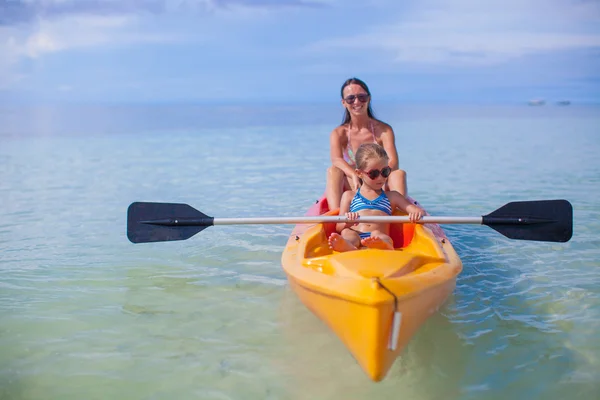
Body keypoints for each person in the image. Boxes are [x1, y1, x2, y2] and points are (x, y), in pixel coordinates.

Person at [326, 77, 407, 210]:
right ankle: (337, 217)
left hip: (380, 182)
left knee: (398, 173)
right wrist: (354, 174)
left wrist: (377, 177)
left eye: (361, 97)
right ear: (344, 102)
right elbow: (336, 159)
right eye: (351, 98)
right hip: (355, 184)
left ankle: (399, 217)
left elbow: (393, 162)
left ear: (369, 99)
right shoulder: (339, 133)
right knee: (333, 171)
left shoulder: (383, 130)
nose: (357, 102)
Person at [328, 143, 423, 252]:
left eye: (385, 172)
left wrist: (417, 213)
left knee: (379, 234)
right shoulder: (349, 196)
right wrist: (347, 222)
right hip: (355, 233)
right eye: (374, 174)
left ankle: (384, 245)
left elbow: (414, 209)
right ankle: (348, 245)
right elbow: (338, 227)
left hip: (378, 237)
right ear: (359, 173)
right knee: (348, 233)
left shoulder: (393, 196)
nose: (380, 178)